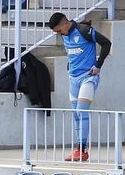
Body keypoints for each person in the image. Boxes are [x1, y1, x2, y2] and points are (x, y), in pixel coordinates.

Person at [47, 12, 113, 162]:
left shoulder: (84, 31)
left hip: (88, 77)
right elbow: (72, 53)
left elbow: (106, 43)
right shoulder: (64, 35)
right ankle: (80, 151)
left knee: (81, 111)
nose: (59, 34)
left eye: (59, 30)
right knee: (76, 115)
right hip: (73, 79)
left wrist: (98, 65)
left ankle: (82, 149)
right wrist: (69, 67)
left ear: (66, 23)